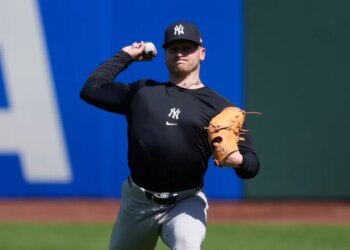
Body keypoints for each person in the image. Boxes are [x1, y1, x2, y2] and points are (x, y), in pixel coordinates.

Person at [80, 21, 260, 250]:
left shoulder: (220, 108)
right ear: (165, 53)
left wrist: (239, 161)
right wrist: (126, 55)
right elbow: (91, 90)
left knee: (187, 244)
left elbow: (253, 164)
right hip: (138, 202)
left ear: (202, 53)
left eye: (188, 47)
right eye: (174, 48)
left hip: (185, 202)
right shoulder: (143, 91)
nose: (180, 53)